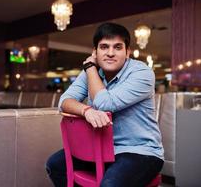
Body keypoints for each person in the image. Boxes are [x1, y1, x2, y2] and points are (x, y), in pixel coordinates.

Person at [46, 22, 164, 187]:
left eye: (117, 47)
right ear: (95, 52)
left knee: (110, 184)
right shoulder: (91, 71)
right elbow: (64, 102)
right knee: (55, 165)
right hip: (101, 148)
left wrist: (90, 67)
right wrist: (86, 110)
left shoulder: (142, 73)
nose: (110, 53)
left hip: (140, 151)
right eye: (104, 47)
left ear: (127, 52)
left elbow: (104, 104)